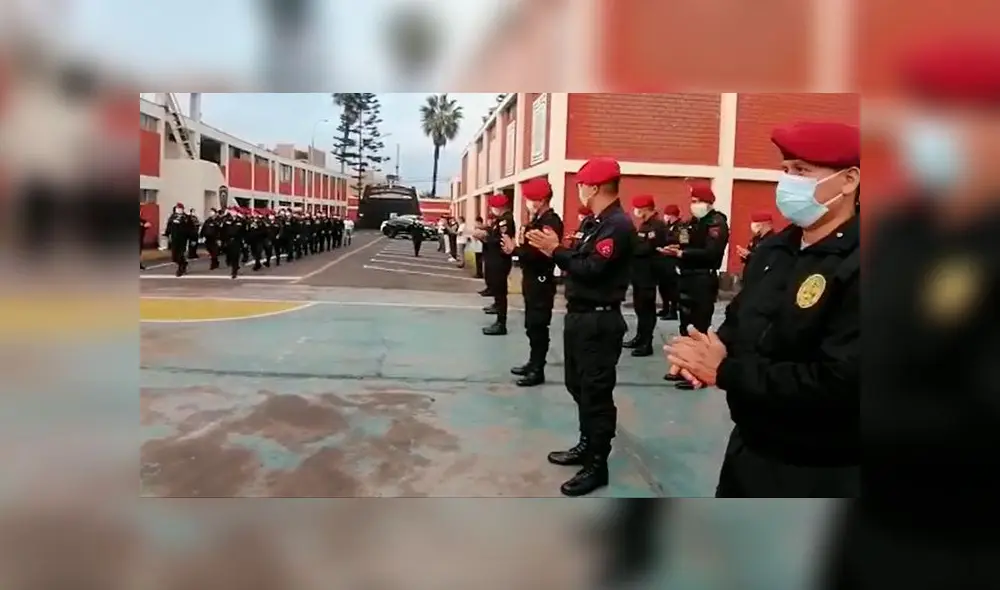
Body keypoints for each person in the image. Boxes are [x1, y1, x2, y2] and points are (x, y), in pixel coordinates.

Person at [665, 121, 860, 497]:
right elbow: (741, 318)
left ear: (849, 180)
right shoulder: (775, 249)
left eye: (802, 170)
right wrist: (708, 350)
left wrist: (725, 371)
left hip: (821, 468)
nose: (788, 182)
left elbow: (842, 382)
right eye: (785, 169)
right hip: (749, 448)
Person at [525, 157, 633, 496]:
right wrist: (564, 250)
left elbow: (591, 269)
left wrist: (555, 249)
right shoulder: (595, 223)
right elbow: (581, 260)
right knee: (578, 386)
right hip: (580, 316)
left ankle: (597, 465)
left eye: (582, 185)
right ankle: (586, 445)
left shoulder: (617, 225)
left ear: (595, 187)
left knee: (596, 394)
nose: (580, 190)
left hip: (599, 320)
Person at [659, 181, 729, 389]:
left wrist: (683, 253)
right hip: (687, 278)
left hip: (703, 278)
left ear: (708, 202)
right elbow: (685, 241)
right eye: (693, 200)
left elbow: (712, 252)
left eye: (698, 201)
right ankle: (683, 367)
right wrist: (675, 247)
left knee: (699, 326)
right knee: (686, 324)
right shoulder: (692, 223)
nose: (694, 204)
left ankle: (698, 375)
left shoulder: (716, 223)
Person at [501, 178, 564, 386]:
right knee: (531, 325)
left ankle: (538, 369)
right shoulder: (537, 221)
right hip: (531, 278)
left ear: (541, 200)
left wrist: (516, 250)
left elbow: (540, 255)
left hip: (541, 280)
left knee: (538, 325)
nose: (528, 203)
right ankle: (532, 362)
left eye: (530, 199)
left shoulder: (550, 222)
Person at [623, 194, 669, 357]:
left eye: (637, 208)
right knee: (640, 308)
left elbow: (646, 248)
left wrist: (629, 247)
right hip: (640, 274)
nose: (635, 211)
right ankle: (640, 337)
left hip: (648, 274)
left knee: (647, 310)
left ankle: (646, 343)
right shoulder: (646, 224)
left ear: (645, 209)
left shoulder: (656, 226)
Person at [480, 194, 516, 335]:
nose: (492, 209)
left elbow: (500, 240)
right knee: (497, 289)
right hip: (494, 258)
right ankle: (498, 313)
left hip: (500, 260)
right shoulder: (500, 220)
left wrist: (485, 238)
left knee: (501, 292)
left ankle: (501, 323)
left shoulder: (506, 220)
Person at [656, 204, 682, 320]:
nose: (665, 217)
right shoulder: (666, 226)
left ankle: (673, 310)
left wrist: (671, 246)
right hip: (664, 260)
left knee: (672, 287)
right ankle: (665, 308)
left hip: (674, 260)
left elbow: (684, 243)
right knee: (663, 286)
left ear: (672, 215)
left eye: (667, 215)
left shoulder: (682, 227)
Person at [162, 202, 190, 277]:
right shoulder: (172, 217)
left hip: (183, 238)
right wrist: (167, 234)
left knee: (180, 254)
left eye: (180, 208)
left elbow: (191, 228)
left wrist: (192, 237)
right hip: (174, 238)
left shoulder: (187, 217)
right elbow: (169, 226)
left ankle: (180, 269)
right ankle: (184, 263)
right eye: (177, 208)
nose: (178, 210)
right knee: (174, 256)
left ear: (183, 209)